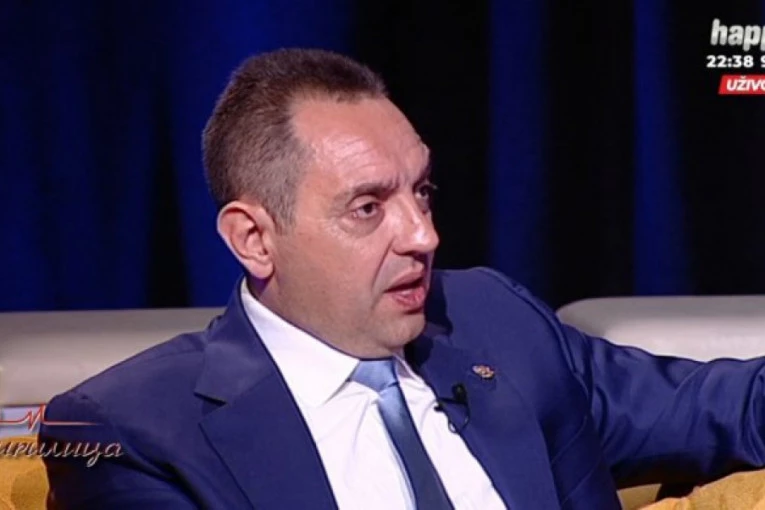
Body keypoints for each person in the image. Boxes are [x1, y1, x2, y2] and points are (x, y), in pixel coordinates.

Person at [40, 48, 765, 510]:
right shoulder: (135, 431)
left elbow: (724, 408)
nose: (423, 236)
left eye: (422, 192)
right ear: (253, 239)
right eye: (367, 207)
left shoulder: (491, 320)